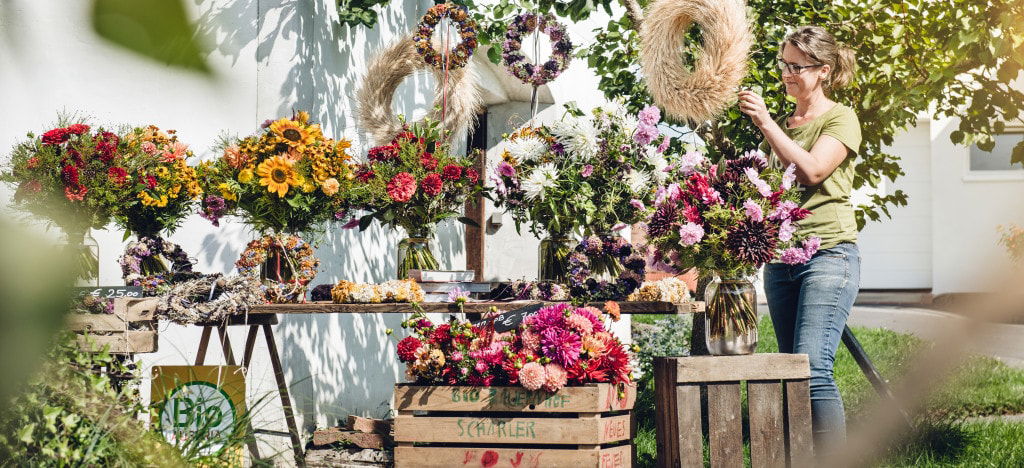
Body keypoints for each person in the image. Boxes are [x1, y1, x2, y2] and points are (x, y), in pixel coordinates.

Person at [738, 25, 862, 452]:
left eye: (797, 66)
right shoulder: (787, 124)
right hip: (783, 262)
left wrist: (768, 123)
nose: (787, 74)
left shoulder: (840, 118)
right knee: (790, 372)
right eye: (783, 65)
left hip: (829, 255)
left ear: (823, 70)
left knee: (811, 369)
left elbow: (812, 171)